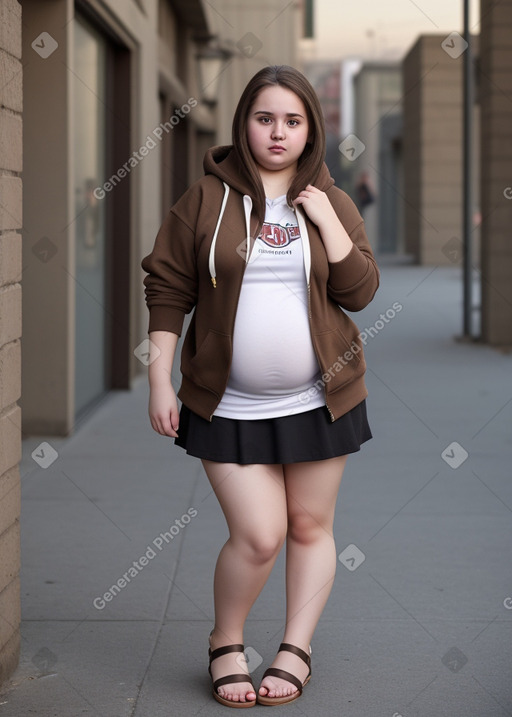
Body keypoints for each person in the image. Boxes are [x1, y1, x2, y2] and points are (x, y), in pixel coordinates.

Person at [141, 65, 379, 708]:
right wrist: (159, 379)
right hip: (228, 404)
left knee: (309, 526)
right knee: (259, 534)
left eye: (293, 121)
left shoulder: (332, 198)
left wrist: (326, 218)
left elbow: (359, 291)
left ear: (311, 130)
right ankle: (227, 640)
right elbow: (167, 289)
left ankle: (295, 646)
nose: (278, 132)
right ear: (244, 122)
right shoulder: (204, 200)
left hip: (321, 398)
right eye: (265, 117)